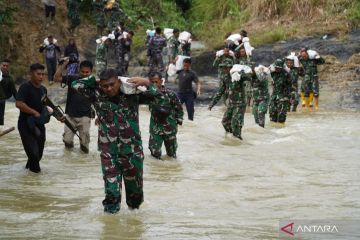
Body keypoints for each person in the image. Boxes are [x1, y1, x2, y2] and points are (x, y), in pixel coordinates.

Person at [71, 68, 161, 214]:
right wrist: (96, 81)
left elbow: (159, 96)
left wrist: (146, 82)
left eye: (112, 84)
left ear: (119, 82)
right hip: (109, 154)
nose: (109, 89)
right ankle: (111, 228)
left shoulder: (132, 95)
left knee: (135, 197)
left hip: (132, 153)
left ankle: (134, 225)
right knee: (111, 196)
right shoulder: (97, 95)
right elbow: (75, 84)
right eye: (105, 86)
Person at [16, 63, 51, 173]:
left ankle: (28, 175)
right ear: (31, 73)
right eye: (38, 74)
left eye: (42, 74)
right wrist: (34, 112)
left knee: (38, 155)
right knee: (33, 154)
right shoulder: (25, 87)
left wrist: (55, 115)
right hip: (25, 125)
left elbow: (46, 107)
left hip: (39, 125)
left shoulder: (43, 90)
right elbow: (19, 104)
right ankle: (36, 179)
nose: (41, 77)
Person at [54, 59, 94, 153]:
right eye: (82, 71)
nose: (84, 74)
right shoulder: (72, 78)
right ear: (79, 70)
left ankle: (82, 162)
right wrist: (62, 65)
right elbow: (56, 78)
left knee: (84, 145)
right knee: (67, 141)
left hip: (85, 116)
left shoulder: (93, 82)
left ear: (91, 71)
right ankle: (69, 158)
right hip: (70, 115)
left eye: (87, 72)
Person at [208, 65, 252, 140]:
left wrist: (241, 73)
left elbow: (249, 77)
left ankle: (238, 139)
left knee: (236, 124)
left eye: (226, 67)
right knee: (225, 122)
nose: (225, 69)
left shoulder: (238, 75)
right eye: (224, 68)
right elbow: (220, 91)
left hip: (240, 104)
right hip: (231, 104)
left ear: (231, 68)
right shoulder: (225, 78)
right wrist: (212, 104)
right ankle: (232, 138)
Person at [148, 72, 183, 159]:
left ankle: (171, 171)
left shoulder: (170, 94)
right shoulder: (149, 95)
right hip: (155, 128)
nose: (154, 84)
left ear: (161, 81)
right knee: (154, 153)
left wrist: (179, 119)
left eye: (156, 82)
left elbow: (178, 107)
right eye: (152, 82)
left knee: (171, 154)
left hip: (169, 128)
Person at [269, 59, 292, 124]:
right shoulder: (272, 73)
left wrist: (289, 97)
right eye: (276, 67)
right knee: (272, 116)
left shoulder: (286, 74)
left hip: (283, 97)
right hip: (274, 97)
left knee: (281, 118)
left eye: (278, 68)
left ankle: (281, 131)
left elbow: (290, 86)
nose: (277, 69)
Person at [0, 59, 17, 130]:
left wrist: (21, 101)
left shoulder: (9, 79)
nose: (5, 67)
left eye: (7, 66)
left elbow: (14, 92)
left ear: (8, 67)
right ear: (0, 65)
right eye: (3, 65)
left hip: (1, 101)